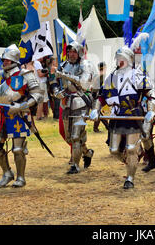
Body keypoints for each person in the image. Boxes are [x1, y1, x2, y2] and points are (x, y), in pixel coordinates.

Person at [90, 44, 155, 189]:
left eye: (123, 58)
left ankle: (130, 178)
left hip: (133, 115)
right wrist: (96, 109)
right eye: (118, 58)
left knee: (131, 147)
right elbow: (101, 97)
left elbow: (151, 93)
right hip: (117, 117)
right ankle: (131, 160)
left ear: (129, 59)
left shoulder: (137, 74)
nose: (120, 61)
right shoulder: (111, 77)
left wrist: (151, 110)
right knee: (114, 150)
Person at [0, 44, 43, 188]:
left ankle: (21, 177)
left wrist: (21, 106)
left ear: (14, 61)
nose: (4, 62)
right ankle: (7, 173)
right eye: (4, 60)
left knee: (18, 149)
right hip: (1, 115)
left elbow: (38, 95)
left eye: (7, 60)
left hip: (18, 115)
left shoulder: (25, 75)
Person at [53, 36, 95, 174]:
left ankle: (75, 166)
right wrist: (56, 92)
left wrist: (65, 76)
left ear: (79, 53)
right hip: (66, 102)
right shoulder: (63, 65)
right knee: (69, 136)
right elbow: (54, 82)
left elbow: (83, 83)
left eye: (74, 52)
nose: (71, 54)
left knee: (76, 136)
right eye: (69, 51)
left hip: (81, 102)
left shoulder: (86, 65)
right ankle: (87, 153)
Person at [33, 56, 49, 120]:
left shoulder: (33, 62)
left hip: (37, 83)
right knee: (41, 101)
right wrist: (47, 72)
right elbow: (40, 74)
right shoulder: (37, 63)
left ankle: (39, 115)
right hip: (41, 83)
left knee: (40, 101)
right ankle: (39, 117)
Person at [93, 62, 107, 133]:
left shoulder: (103, 76)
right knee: (99, 113)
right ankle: (106, 126)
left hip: (101, 97)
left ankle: (97, 128)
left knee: (100, 114)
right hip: (97, 97)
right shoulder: (99, 77)